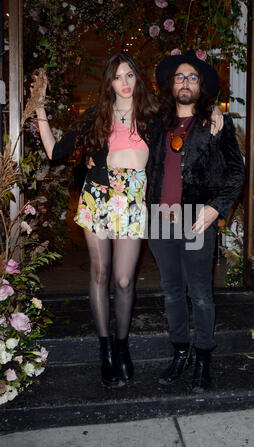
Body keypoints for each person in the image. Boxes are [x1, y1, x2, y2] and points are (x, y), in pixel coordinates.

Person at [33, 53, 158, 388]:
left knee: (123, 281)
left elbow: (184, 132)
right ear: (109, 82)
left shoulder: (152, 116)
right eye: (118, 77)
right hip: (99, 197)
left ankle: (122, 345)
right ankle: (105, 350)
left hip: (132, 201)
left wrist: (214, 117)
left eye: (130, 75)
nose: (125, 83)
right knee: (100, 274)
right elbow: (54, 151)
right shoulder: (96, 117)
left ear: (138, 78)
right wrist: (40, 109)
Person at [147, 49, 245, 392]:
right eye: (179, 77)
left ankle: (203, 356)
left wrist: (216, 208)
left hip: (196, 217)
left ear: (200, 85)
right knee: (172, 292)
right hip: (160, 218)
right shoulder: (157, 124)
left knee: (200, 293)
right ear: (171, 85)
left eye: (192, 77)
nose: (185, 82)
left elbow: (236, 172)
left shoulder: (217, 123)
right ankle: (180, 351)